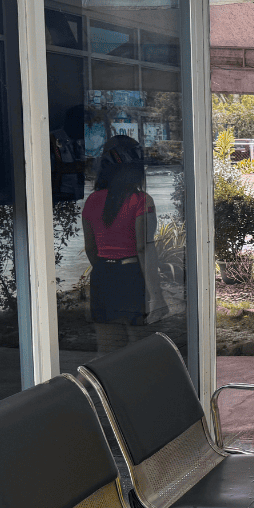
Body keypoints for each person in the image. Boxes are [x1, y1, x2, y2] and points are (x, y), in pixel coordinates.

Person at [82, 135, 165, 352]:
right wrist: (156, 294)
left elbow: (91, 247)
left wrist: (106, 265)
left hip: (102, 277)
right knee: (142, 350)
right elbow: (144, 247)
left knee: (108, 352)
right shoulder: (141, 201)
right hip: (132, 277)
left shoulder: (92, 201)